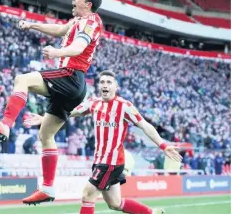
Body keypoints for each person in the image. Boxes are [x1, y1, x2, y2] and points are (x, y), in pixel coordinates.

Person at [0, 0, 103, 204]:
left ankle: (6, 125)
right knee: (46, 136)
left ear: (88, 3)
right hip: (73, 84)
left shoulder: (91, 21)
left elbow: (78, 48)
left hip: (70, 76)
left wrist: (57, 51)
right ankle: (47, 188)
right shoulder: (78, 21)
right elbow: (59, 30)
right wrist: (33, 26)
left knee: (22, 80)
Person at [22, 70, 182, 213]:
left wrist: (163, 145)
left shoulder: (124, 106)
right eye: (102, 82)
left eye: (109, 82)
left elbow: (145, 126)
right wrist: (45, 118)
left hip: (111, 162)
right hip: (100, 161)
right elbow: (71, 112)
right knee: (115, 203)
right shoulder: (94, 103)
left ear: (116, 87)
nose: (105, 85)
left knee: (87, 195)